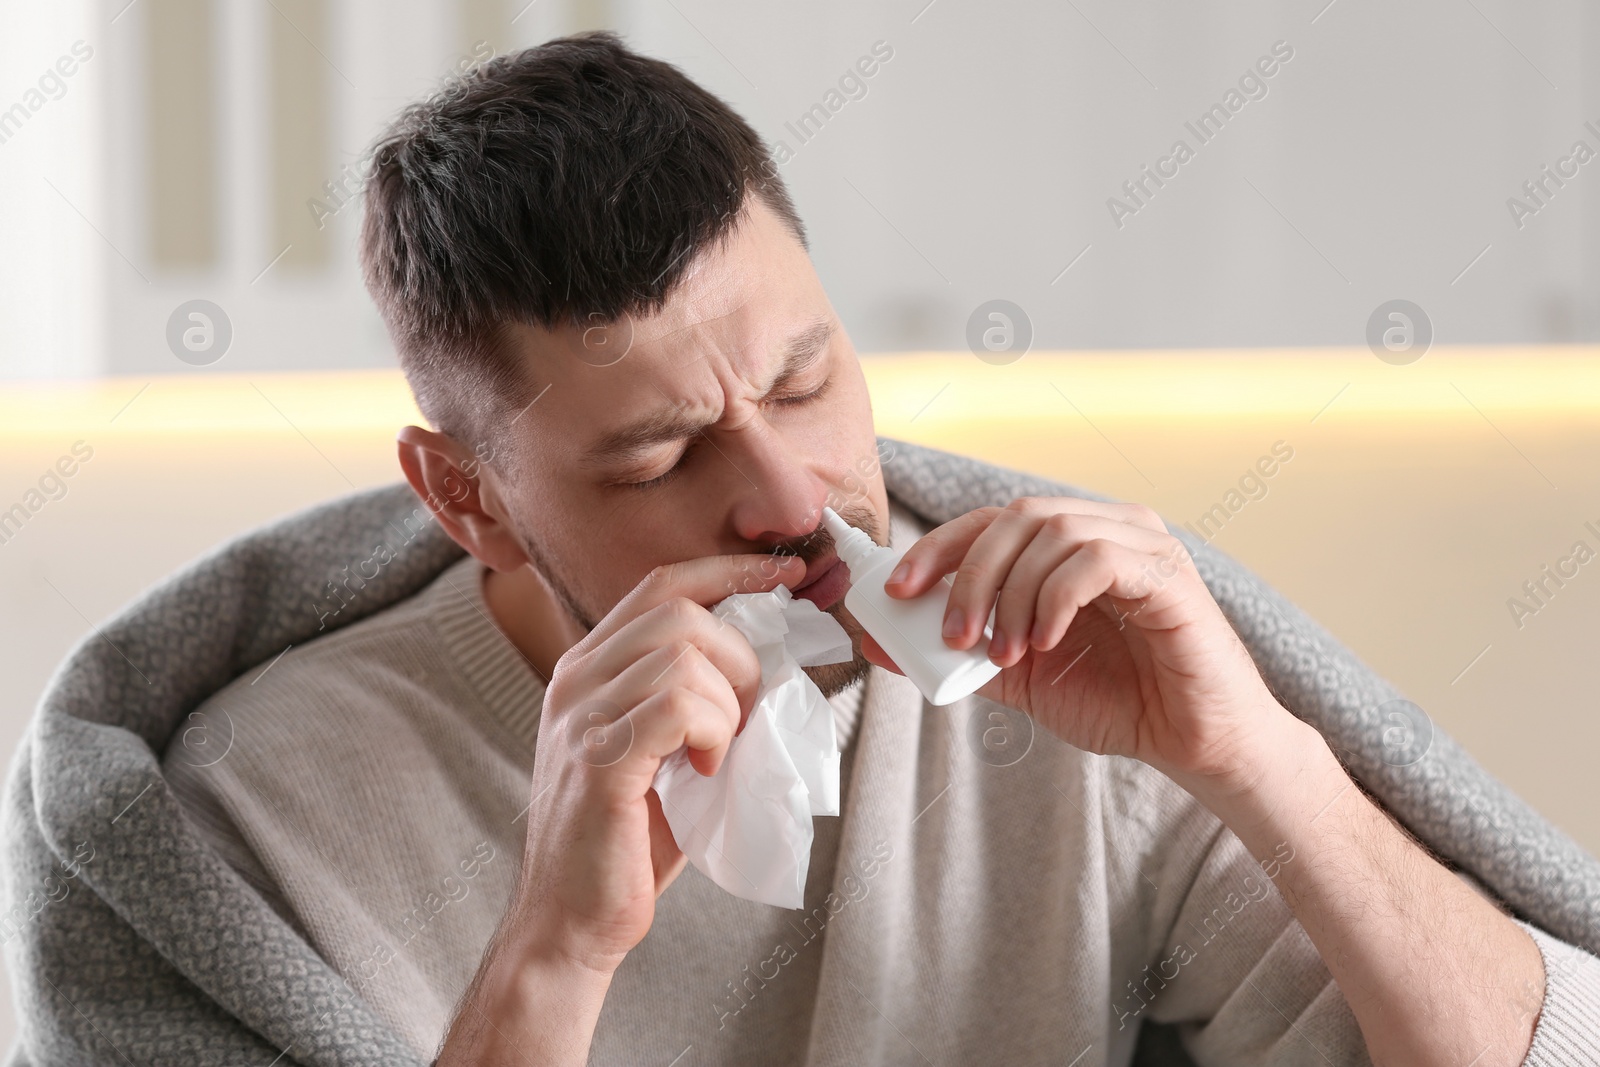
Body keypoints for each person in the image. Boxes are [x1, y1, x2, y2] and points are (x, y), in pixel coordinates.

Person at [7, 30, 1600, 1067]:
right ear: (468, 499)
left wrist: (1263, 758)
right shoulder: (247, 821)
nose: (788, 492)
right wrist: (555, 952)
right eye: (656, 454)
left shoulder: (1059, 692)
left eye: (804, 379)